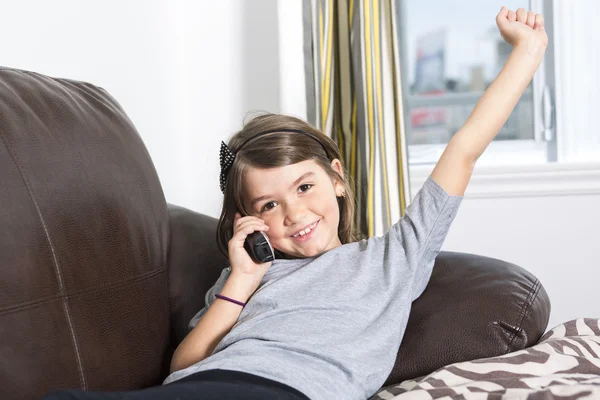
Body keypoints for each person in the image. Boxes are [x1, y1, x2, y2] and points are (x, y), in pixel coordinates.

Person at [43, 6, 548, 400]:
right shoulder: (246, 278)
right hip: (204, 386)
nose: (293, 215)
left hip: (294, 391)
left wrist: (526, 52)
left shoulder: (393, 257)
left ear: (338, 180)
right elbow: (185, 364)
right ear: (249, 220)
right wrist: (241, 281)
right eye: (268, 205)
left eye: (305, 187)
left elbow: (463, 149)